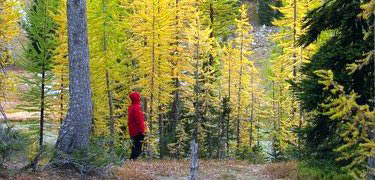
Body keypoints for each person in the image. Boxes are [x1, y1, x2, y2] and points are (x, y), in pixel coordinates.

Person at [128, 92, 146, 160]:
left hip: (132, 131)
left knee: (134, 147)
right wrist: (142, 130)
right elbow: (139, 120)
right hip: (138, 131)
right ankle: (132, 161)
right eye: (139, 97)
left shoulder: (131, 107)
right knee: (138, 148)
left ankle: (132, 161)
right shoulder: (137, 108)